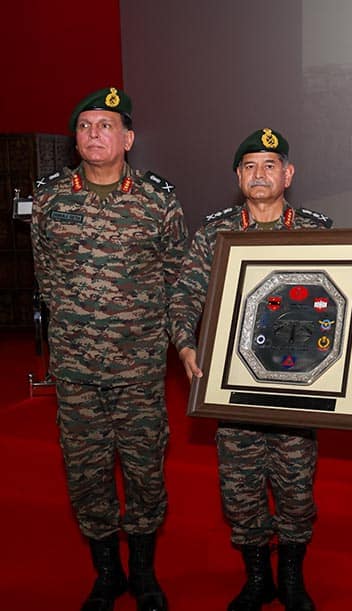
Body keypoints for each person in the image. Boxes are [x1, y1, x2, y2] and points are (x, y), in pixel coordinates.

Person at [170, 128, 352, 611]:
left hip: (298, 389)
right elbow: (184, 297)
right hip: (234, 390)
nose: (259, 174)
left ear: (288, 174)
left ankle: (292, 579)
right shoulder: (214, 234)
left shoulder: (318, 230)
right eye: (249, 166)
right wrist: (186, 345)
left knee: (296, 490)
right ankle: (258, 579)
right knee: (240, 491)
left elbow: (349, 293)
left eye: (270, 165)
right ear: (238, 177)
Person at [31, 87, 188, 611]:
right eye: (85, 126)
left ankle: (142, 572)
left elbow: (176, 279)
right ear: (75, 139)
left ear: (128, 139)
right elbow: (46, 278)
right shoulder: (51, 200)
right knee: (86, 473)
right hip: (75, 369)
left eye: (106, 125)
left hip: (139, 368)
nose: (94, 134)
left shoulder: (157, 201)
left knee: (145, 471)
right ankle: (107, 574)